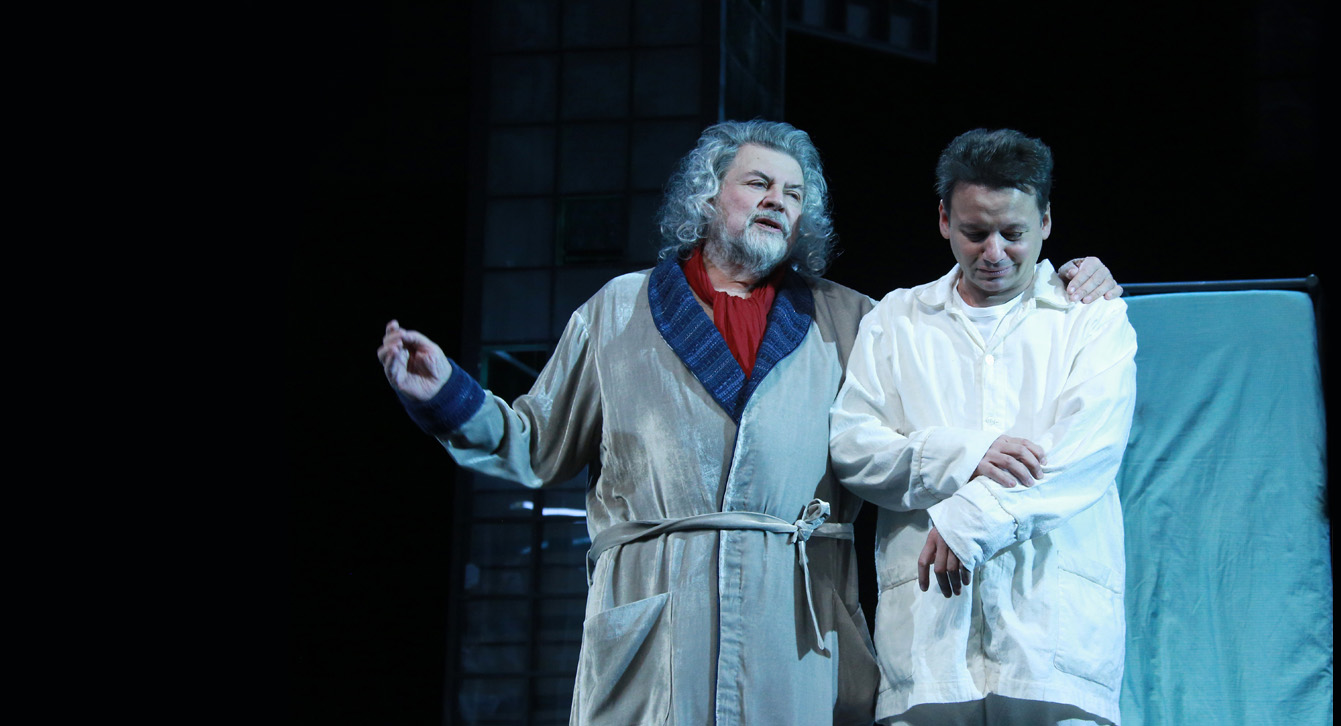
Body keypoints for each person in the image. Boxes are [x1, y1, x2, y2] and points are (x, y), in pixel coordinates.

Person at [377, 120, 1120, 726]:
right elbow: (534, 444)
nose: (777, 201)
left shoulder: (851, 319)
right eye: (757, 183)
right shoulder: (617, 312)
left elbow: (963, 351)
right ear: (707, 196)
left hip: (794, 625)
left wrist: (1073, 278)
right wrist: (447, 395)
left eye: (793, 193)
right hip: (656, 619)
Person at [829, 129, 1137, 725]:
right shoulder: (897, 319)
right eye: (975, 232)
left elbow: (1087, 451)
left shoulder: (1090, 317)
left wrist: (969, 520)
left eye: (1013, 234)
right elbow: (853, 447)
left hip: (1054, 644)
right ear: (944, 220)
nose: (994, 252)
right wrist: (966, 455)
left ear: (1046, 222)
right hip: (929, 649)